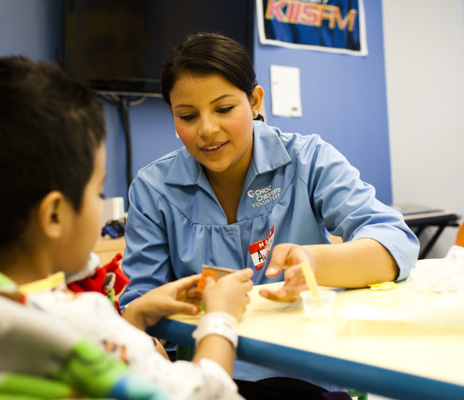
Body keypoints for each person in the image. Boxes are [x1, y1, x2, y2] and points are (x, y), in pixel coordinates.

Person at [0, 56, 254, 399]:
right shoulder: (81, 324)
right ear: (54, 215)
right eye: (98, 191)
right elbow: (204, 393)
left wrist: (134, 315)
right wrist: (220, 319)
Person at [118, 32, 420, 399]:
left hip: (306, 374)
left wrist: (312, 260)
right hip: (211, 374)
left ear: (255, 100)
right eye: (187, 116)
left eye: (224, 109)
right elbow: (141, 303)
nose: (207, 129)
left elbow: (397, 245)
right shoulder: (153, 188)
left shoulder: (309, 159)